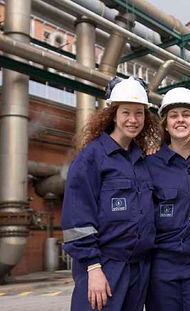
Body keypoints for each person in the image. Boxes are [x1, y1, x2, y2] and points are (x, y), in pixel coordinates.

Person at [61, 76, 161, 311]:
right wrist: (93, 267)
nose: (133, 120)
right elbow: (77, 220)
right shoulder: (91, 159)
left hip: (138, 269)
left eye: (139, 113)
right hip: (104, 266)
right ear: (113, 114)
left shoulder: (142, 161)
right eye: (126, 112)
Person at [145, 87, 190, 311]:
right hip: (162, 265)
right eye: (174, 116)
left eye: (186, 115)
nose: (180, 120)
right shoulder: (150, 165)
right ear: (165, 123)